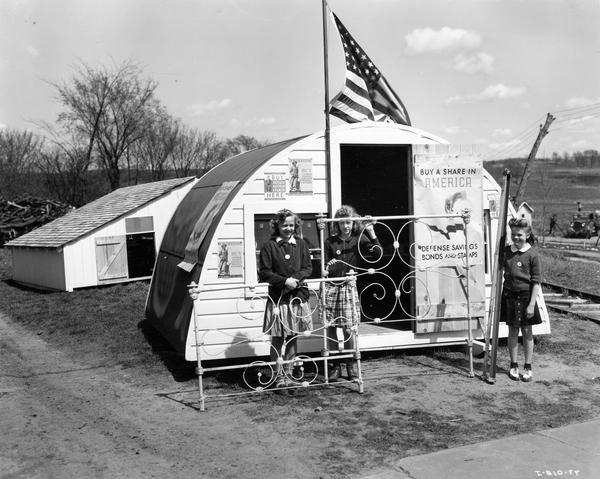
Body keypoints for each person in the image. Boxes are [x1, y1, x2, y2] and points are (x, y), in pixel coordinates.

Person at [323, 205, 381, 381]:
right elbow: (322, 268)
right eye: (342, 223)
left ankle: (350, 364)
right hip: (332, 286)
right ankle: (335, 365)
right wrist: (327, 268)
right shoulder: (330, 241)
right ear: (337, 224)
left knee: (349, 328)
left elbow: (378, 253)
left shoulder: (359, 239)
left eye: (348, 222)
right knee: (331, 328)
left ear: (353, 222)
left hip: (349, 286)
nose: (345, 226)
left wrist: (371, 231)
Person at [259, 208, 313, 391]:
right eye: (284, 225)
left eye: (291, 225)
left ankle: (289, 375)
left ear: (295, 225)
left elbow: (308, 268)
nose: (288, 228)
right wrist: (284, 282)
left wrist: (295, 279)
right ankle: (278, 376)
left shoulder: (302, 244)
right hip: (278, 300)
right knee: (277, 338)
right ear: (277, 226)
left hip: (296, 298)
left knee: (292, 337)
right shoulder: (269, 246)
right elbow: (265, 272)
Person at [500, 217, 542, 382]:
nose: (516, 237)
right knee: (512, 331)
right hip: (510, 295)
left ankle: (528, 366)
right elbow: (499, 271)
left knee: (526, 331)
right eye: (514, 234)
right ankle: (513, 364)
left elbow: (536, 282)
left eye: (520, 235)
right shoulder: (506, 252)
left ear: (527, 234)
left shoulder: (532, 255)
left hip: (526, 298)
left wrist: (531, 304)